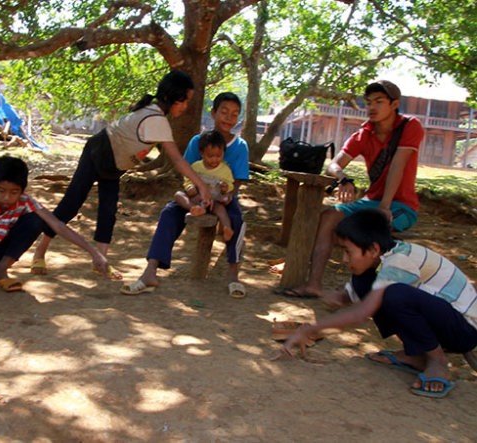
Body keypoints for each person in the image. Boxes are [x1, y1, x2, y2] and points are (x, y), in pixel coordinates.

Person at [31, 70, 212, 279]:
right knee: (72, 202)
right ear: (173, 97)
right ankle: (40, 251)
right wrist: (202, 185)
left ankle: (101, 261)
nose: (186, 106)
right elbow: (178, 160)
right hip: (97, 153)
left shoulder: (156, 115)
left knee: (108, 211)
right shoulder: (156, 119)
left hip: (113, 165)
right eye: (185, 100)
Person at [278, 209, 477, 398]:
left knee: (394, 295)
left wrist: (311, 329)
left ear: (373, 249)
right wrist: (339, 297)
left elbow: (361, 313)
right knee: (370, 285)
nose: (345, 259)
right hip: (444, 322)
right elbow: (355, 295)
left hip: (463, 331)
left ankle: (437, 361)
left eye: (348, 251)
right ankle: (415, 356)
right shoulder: (383, 259)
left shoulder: (399, 261)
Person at [282, 80, 425, 299]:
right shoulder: (363, 133)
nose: (372, 107)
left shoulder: (410, 126)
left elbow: (398, 163)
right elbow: (334, 165)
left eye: (379, 102)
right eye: (368, 102)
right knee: (328, 216)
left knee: (372, 233)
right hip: (371, 201)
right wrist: (344, 179)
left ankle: (371, 295)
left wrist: (385, 207)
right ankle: (314, 284)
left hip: (401, 205)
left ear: (394, 104)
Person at [121, 92, 249, 298]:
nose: (229, 118)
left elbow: (240, 179)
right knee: (169, 213)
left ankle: (233, 275)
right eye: (224, 112)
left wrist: (228, 195)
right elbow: (187, 171)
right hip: (196, 195)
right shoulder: (197, 141)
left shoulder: (240, 146)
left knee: (236, 220)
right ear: (213, 112)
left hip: (223, 198)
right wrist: (195, 194)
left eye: (235, 114)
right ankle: (150, 272)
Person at [0, 155, 109, 293]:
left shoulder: (26, 202)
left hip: (2, 255)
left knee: (36, 220)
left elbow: (57, 225)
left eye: (14, 192)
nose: (7, 198)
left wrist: (93, 252)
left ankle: (1, 271)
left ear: (22, 190)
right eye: (1, 191)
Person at [174, 130, 235, 241]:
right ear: (202, 154)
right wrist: (189, 187)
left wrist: (225, 187)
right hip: (197, 198)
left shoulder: (225, 170)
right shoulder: (196, 166)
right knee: (178, 195)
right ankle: (194, 208)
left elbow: (230, 185)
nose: (214, 159)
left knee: (221, 210)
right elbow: (188, 179)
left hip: (214, 201)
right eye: (210, 156)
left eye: (218, 156)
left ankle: (227, 227)